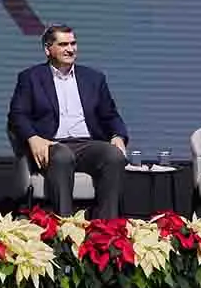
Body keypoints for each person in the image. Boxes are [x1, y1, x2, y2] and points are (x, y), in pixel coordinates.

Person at [8, 24, 128, 219]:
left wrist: (118, 136)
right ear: (48, 49)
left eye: (73, 43)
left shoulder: (94, 78)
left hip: (87, 144)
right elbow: (17, 115)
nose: (70, 49)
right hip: (52, 145)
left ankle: (107, 230)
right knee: (62, 155)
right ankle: (64, 227)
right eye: (63, 44)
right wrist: (33, 137)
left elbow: (110, 115)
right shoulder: (31, 78)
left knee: (113, 155)